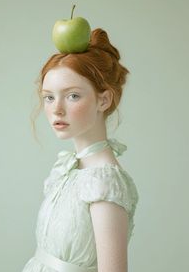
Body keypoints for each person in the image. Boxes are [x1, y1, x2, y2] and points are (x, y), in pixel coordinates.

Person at [22, 28, 139, 272]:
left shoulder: (104, 182)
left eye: (72, 95)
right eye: (49, 97)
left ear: (103, 100)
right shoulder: (70, 171)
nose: (57, 110)